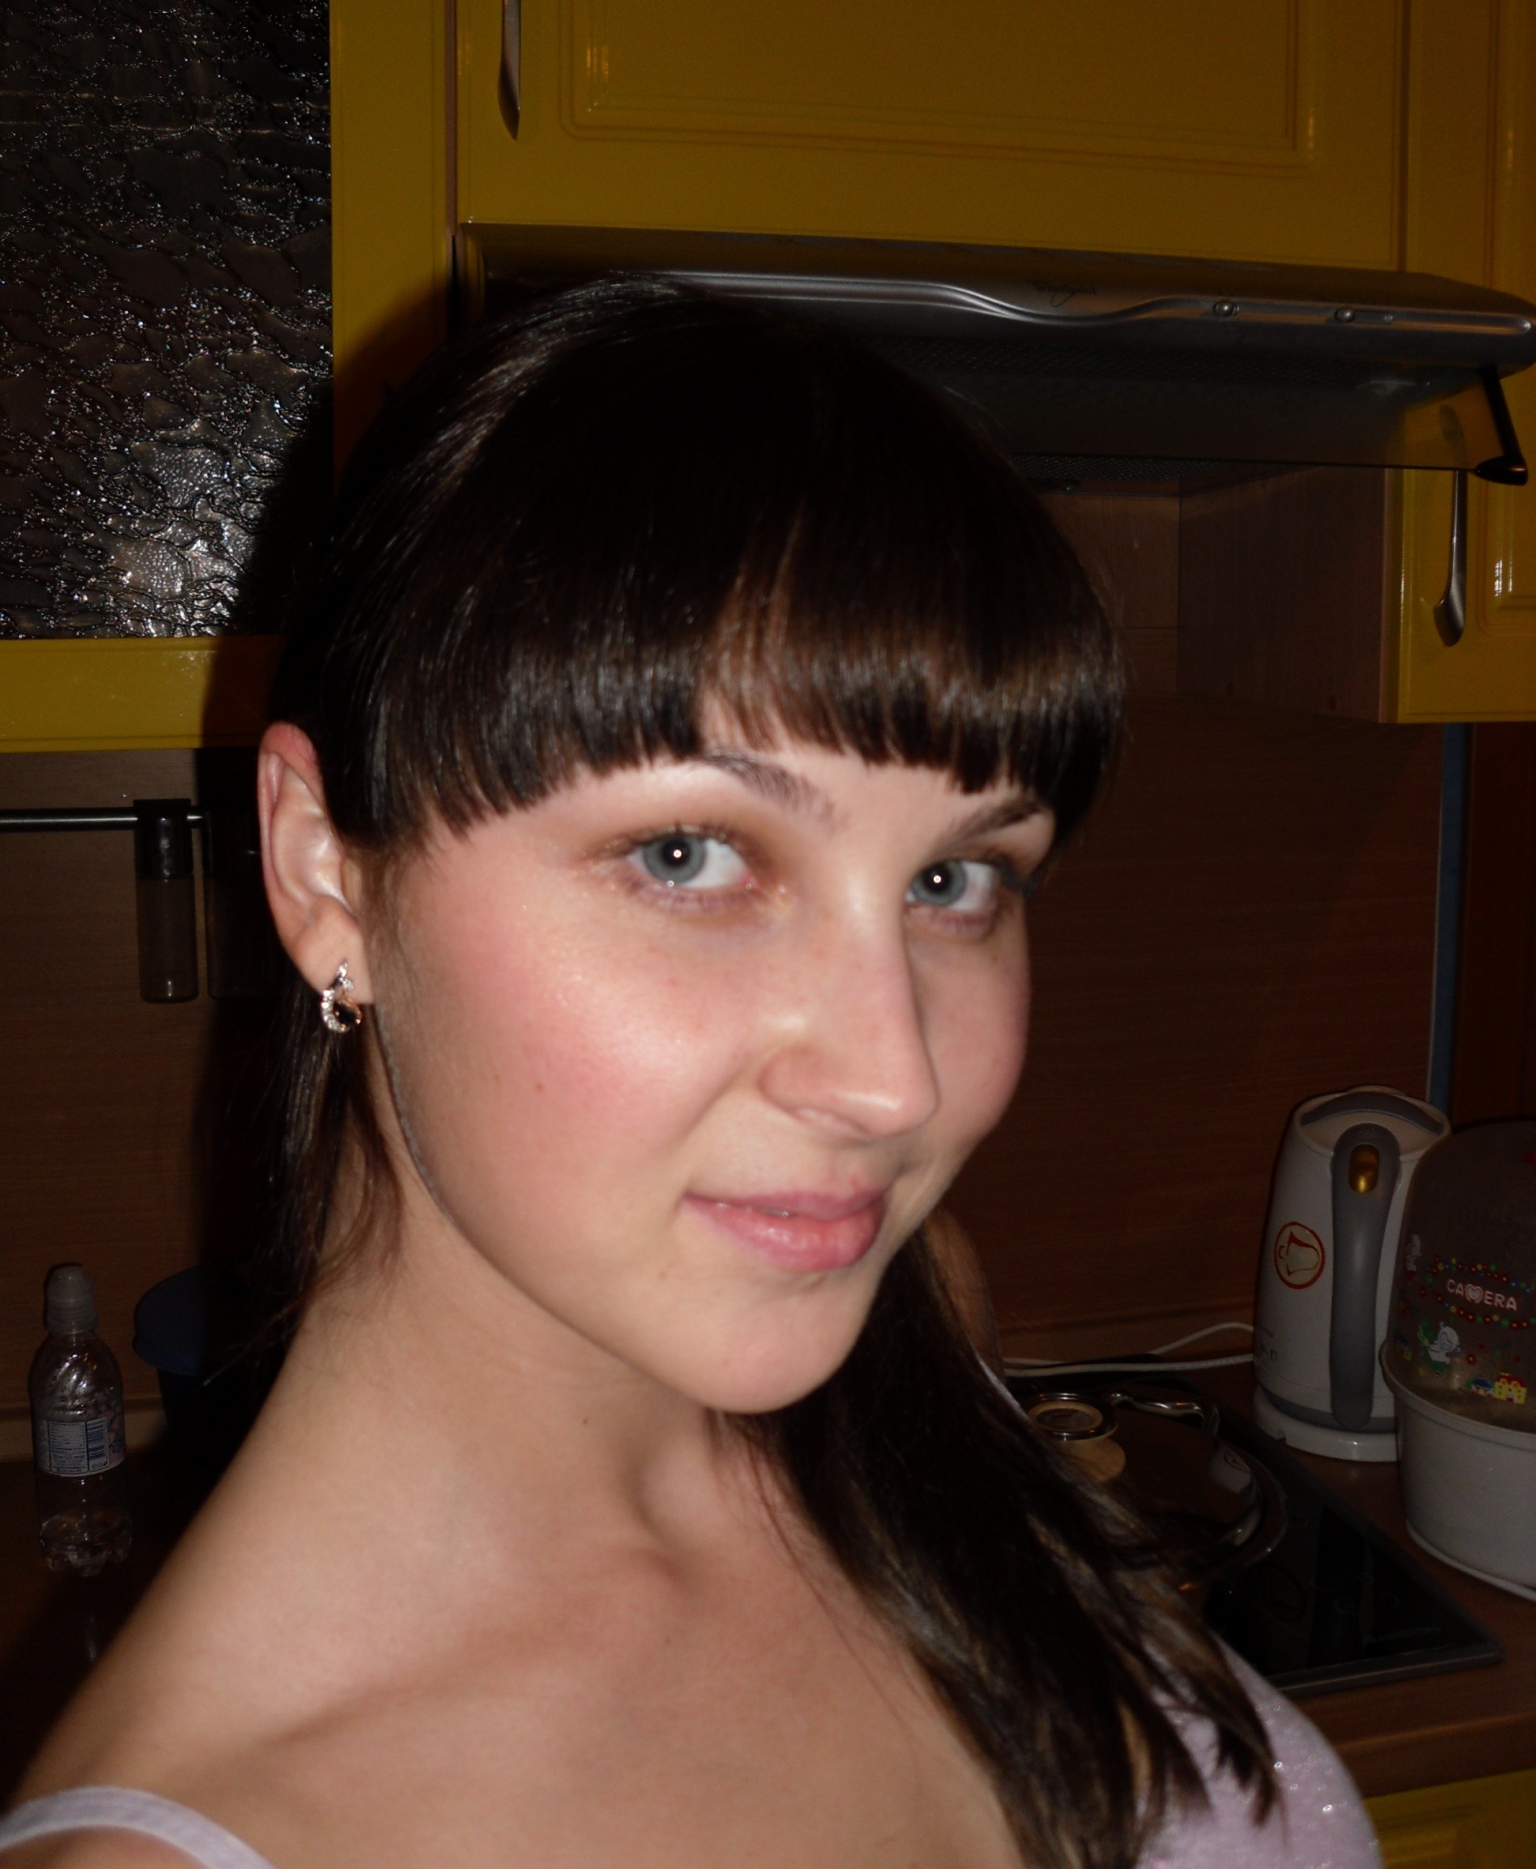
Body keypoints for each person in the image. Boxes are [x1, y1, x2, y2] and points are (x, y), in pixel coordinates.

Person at [0, 281, 1381, 1869]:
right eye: (687, 854)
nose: (894, 1083)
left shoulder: (915, 1334)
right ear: (325, 874)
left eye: (955, 880)